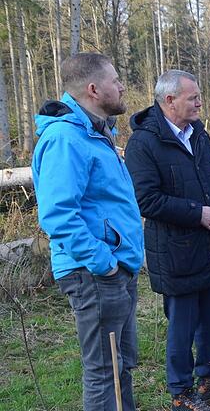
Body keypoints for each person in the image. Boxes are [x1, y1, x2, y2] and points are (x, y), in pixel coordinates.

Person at [32, 52, 145, 411]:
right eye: (115, 80)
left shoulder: (97, 133)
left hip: (115, 270)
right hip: (94, 274)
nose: (122, 86)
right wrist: (103, 262)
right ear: (94, 89)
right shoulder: (66, 139)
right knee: (103, 372)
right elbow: (58, 215)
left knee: (120, 366)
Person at [124, 70, 210, 411]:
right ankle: (181, 392)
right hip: (174, 253)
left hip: (208, 248)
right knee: (182, 326)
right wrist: (198, 213)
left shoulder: (199, 134)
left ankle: (208, 381)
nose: (200, 103)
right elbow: (145, 200)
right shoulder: (144, 143)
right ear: (169, 100)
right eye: (193, 97)